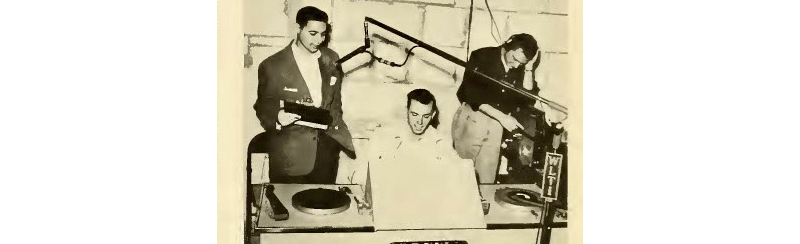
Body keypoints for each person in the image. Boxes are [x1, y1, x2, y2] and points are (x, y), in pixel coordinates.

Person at [253, 6, 354, 184]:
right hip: (290, 155)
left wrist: (333, 141)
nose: (319, 40)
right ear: (298, 29)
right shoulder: (272, 66)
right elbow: (262, 106)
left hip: (326, 153)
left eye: (323, 34)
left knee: (324, 206)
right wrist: (277, 116)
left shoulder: (332, 58)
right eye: (313, 33)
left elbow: (335, 103)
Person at [451, 33, 542, 184]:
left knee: (487, 180)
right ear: (508, 47)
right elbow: (469, 93)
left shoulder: (522, 68)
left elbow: (528, 98)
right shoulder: (482, 56)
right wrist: (502, 117)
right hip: (473, 119)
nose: (516, 65)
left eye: (522, 63)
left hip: (497, 125)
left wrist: (529, 69)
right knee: (461, 176)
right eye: (514, 59)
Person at [347, 89, 467, 186]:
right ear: (407, 111)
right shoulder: (384, 136)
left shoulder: (441, 142)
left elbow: (457, 174)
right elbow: (358, 175)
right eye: (414, 114)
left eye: (426, 116)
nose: (419, 122)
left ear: (433, 115)